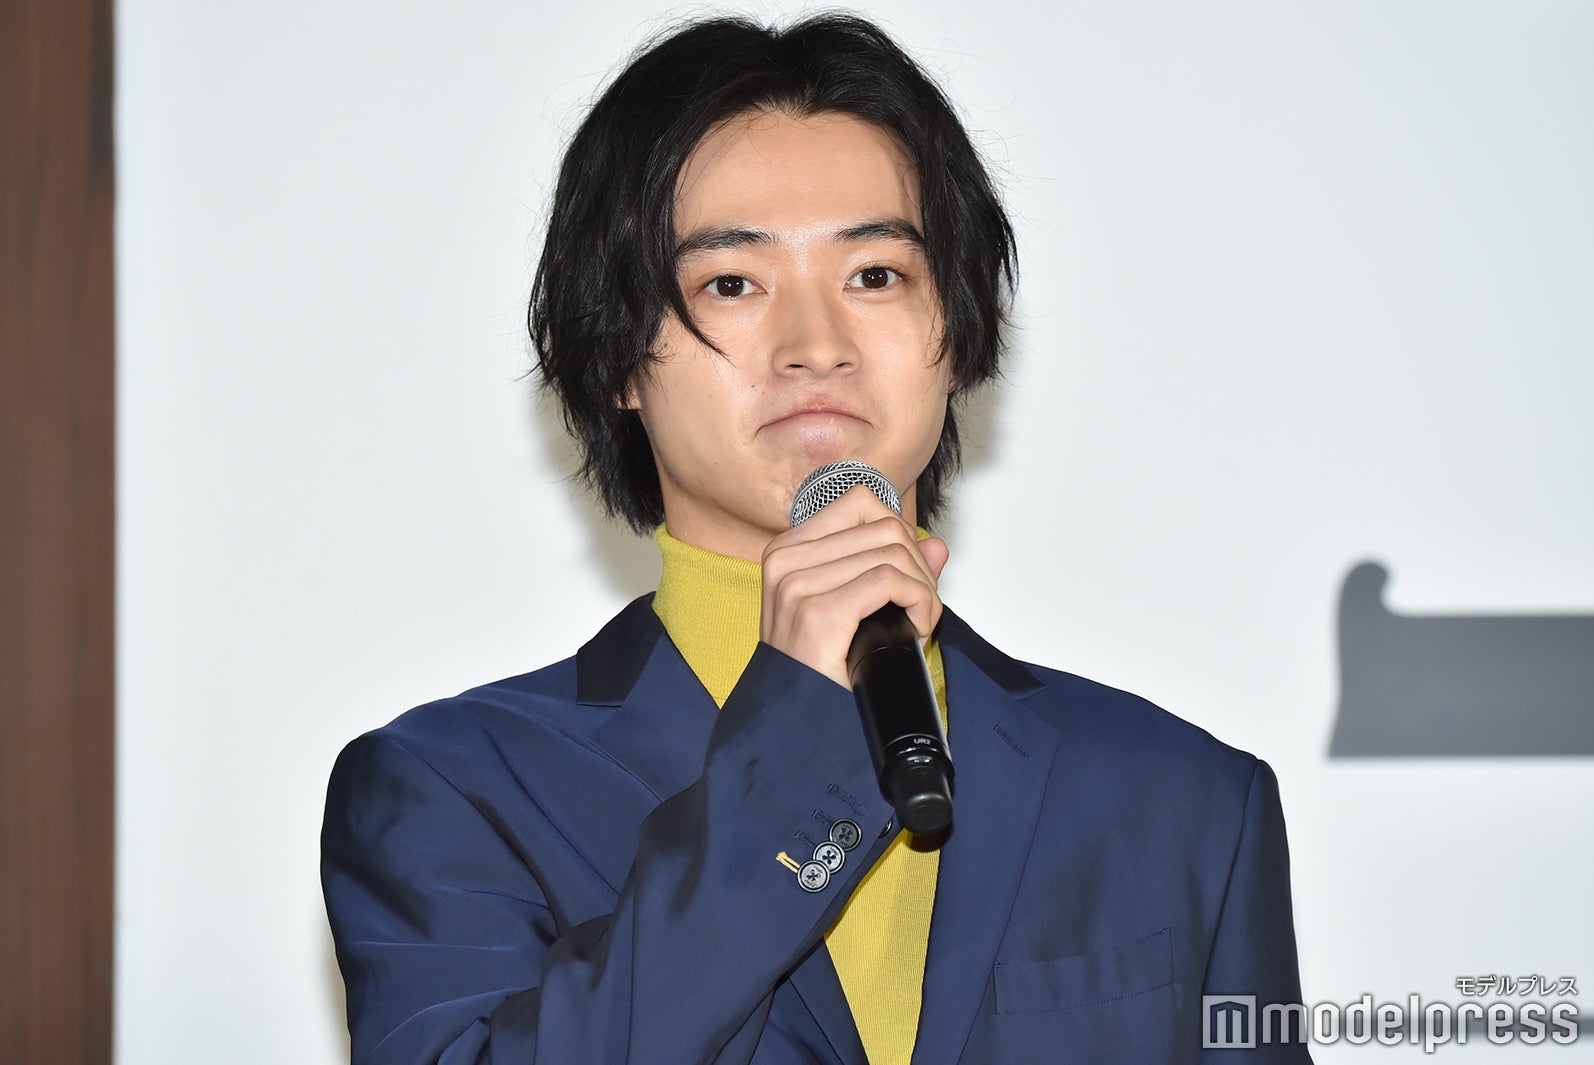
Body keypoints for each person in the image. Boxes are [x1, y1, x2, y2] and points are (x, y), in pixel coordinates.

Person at [321, 13, 1311, 1064]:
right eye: (731, 284)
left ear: (957, 336)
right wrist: (792, 750)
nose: (816, 346)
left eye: (875, 275)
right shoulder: (450, 792)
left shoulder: (1186, 797)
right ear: (616, 360)